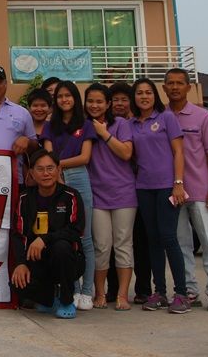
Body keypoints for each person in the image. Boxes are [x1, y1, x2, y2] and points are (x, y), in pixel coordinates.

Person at [164, 69, 208, 312]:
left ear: (188, 87)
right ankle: (189, 290)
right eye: (170, 83)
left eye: (179, 83)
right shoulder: (161, 116)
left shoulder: (202, 116)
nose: (175, 87)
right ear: (164, 87)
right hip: (172, 192)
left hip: (200, 190)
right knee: (181, 244)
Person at [126, 77, 189, 314]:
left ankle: (181, 294)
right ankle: (159, 292)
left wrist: (178, 183)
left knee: (168, 237)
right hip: (143, 187)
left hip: (167, 186)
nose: (144, 96)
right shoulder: (131, 124)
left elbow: (179, 152)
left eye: (148, 92)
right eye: (139, 93)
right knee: (152, 240)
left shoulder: (166, 118)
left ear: (155, 95)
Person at [10, 149, 85, 320]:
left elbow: (76, 230)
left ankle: (66, 300)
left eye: (50, 168)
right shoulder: (24, 198)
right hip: (37, 258)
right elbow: (18, 234)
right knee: (17, 285)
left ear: (58, 169)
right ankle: (49, 298)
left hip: (68, 258)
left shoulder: (70, 196)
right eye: (40, 169)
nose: (46, 173)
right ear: (31, 172)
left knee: (61, 247)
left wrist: (44, 239)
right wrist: (21, 263)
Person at [41, 80, 95, 311]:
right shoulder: (49, 125)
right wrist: (56, 173)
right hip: (56, 180)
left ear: (75, 98)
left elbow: (85, 157)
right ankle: (72, 288)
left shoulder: (86, 124)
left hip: (79, 177)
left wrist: (58, 165)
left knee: (85, 237)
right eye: (60, 96)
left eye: (68, 95)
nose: (64, 99)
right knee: (64, 237)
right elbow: (47, 154)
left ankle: (87, 291)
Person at [84, 83, 135, 311]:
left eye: (99, 101)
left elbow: (126, 153)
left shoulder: (121, 124)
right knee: (101, 246)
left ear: (108, 104)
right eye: (90, 101)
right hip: (96, 194)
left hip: (124, 192)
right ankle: (100, 293)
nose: (94, 105)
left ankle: (123, 295)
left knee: (123, 244)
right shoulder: (83, 126)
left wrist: (104, 134)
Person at [110, 80, 150, 304]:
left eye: (124, 99)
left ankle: (144, 288)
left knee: (140, 241)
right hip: (116, 192)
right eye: (115, 99)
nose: (119, 103)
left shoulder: (138, 124)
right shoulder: (105, 125)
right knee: (113, 243)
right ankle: (113, 289)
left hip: (141, 187)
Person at [23, 88, 53, 188]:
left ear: (50, 108)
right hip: (29, 180)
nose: (39, 109)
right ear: (28, 108)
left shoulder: (55, 129)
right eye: (35, 105)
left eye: (43, 105)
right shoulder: (23, 129)